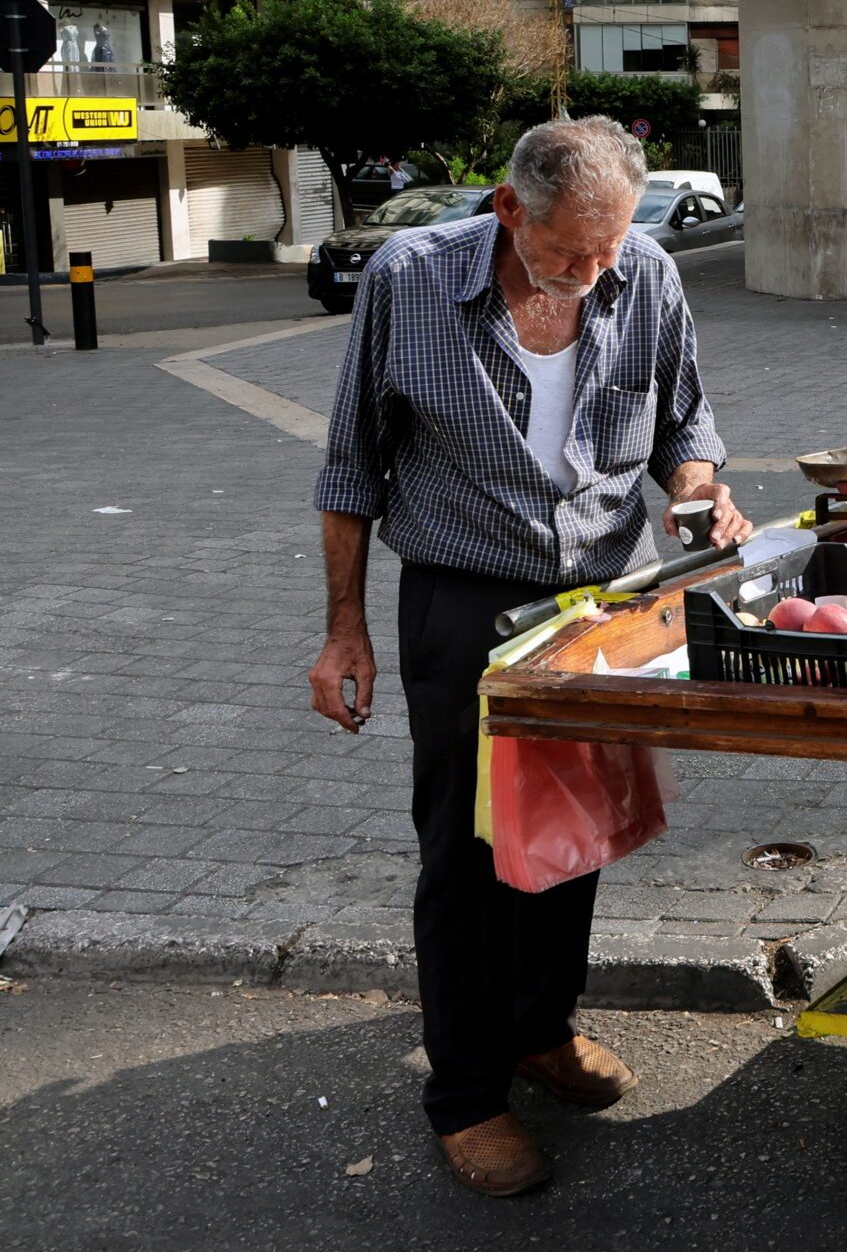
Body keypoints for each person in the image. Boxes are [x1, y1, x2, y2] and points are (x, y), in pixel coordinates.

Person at [305, 115, 752, 1197]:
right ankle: (464, 1094)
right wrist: (343, 627)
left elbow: (684, 428)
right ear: (507, 211)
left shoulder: (639, 272)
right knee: (468, 852)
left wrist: (701, 497)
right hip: (466, 599)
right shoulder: (411, 279)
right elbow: (351, 468)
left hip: (601, 600)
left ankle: (541, 1032)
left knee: (574, 828)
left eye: (608, 250)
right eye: (569, 254)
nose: (593, 274)